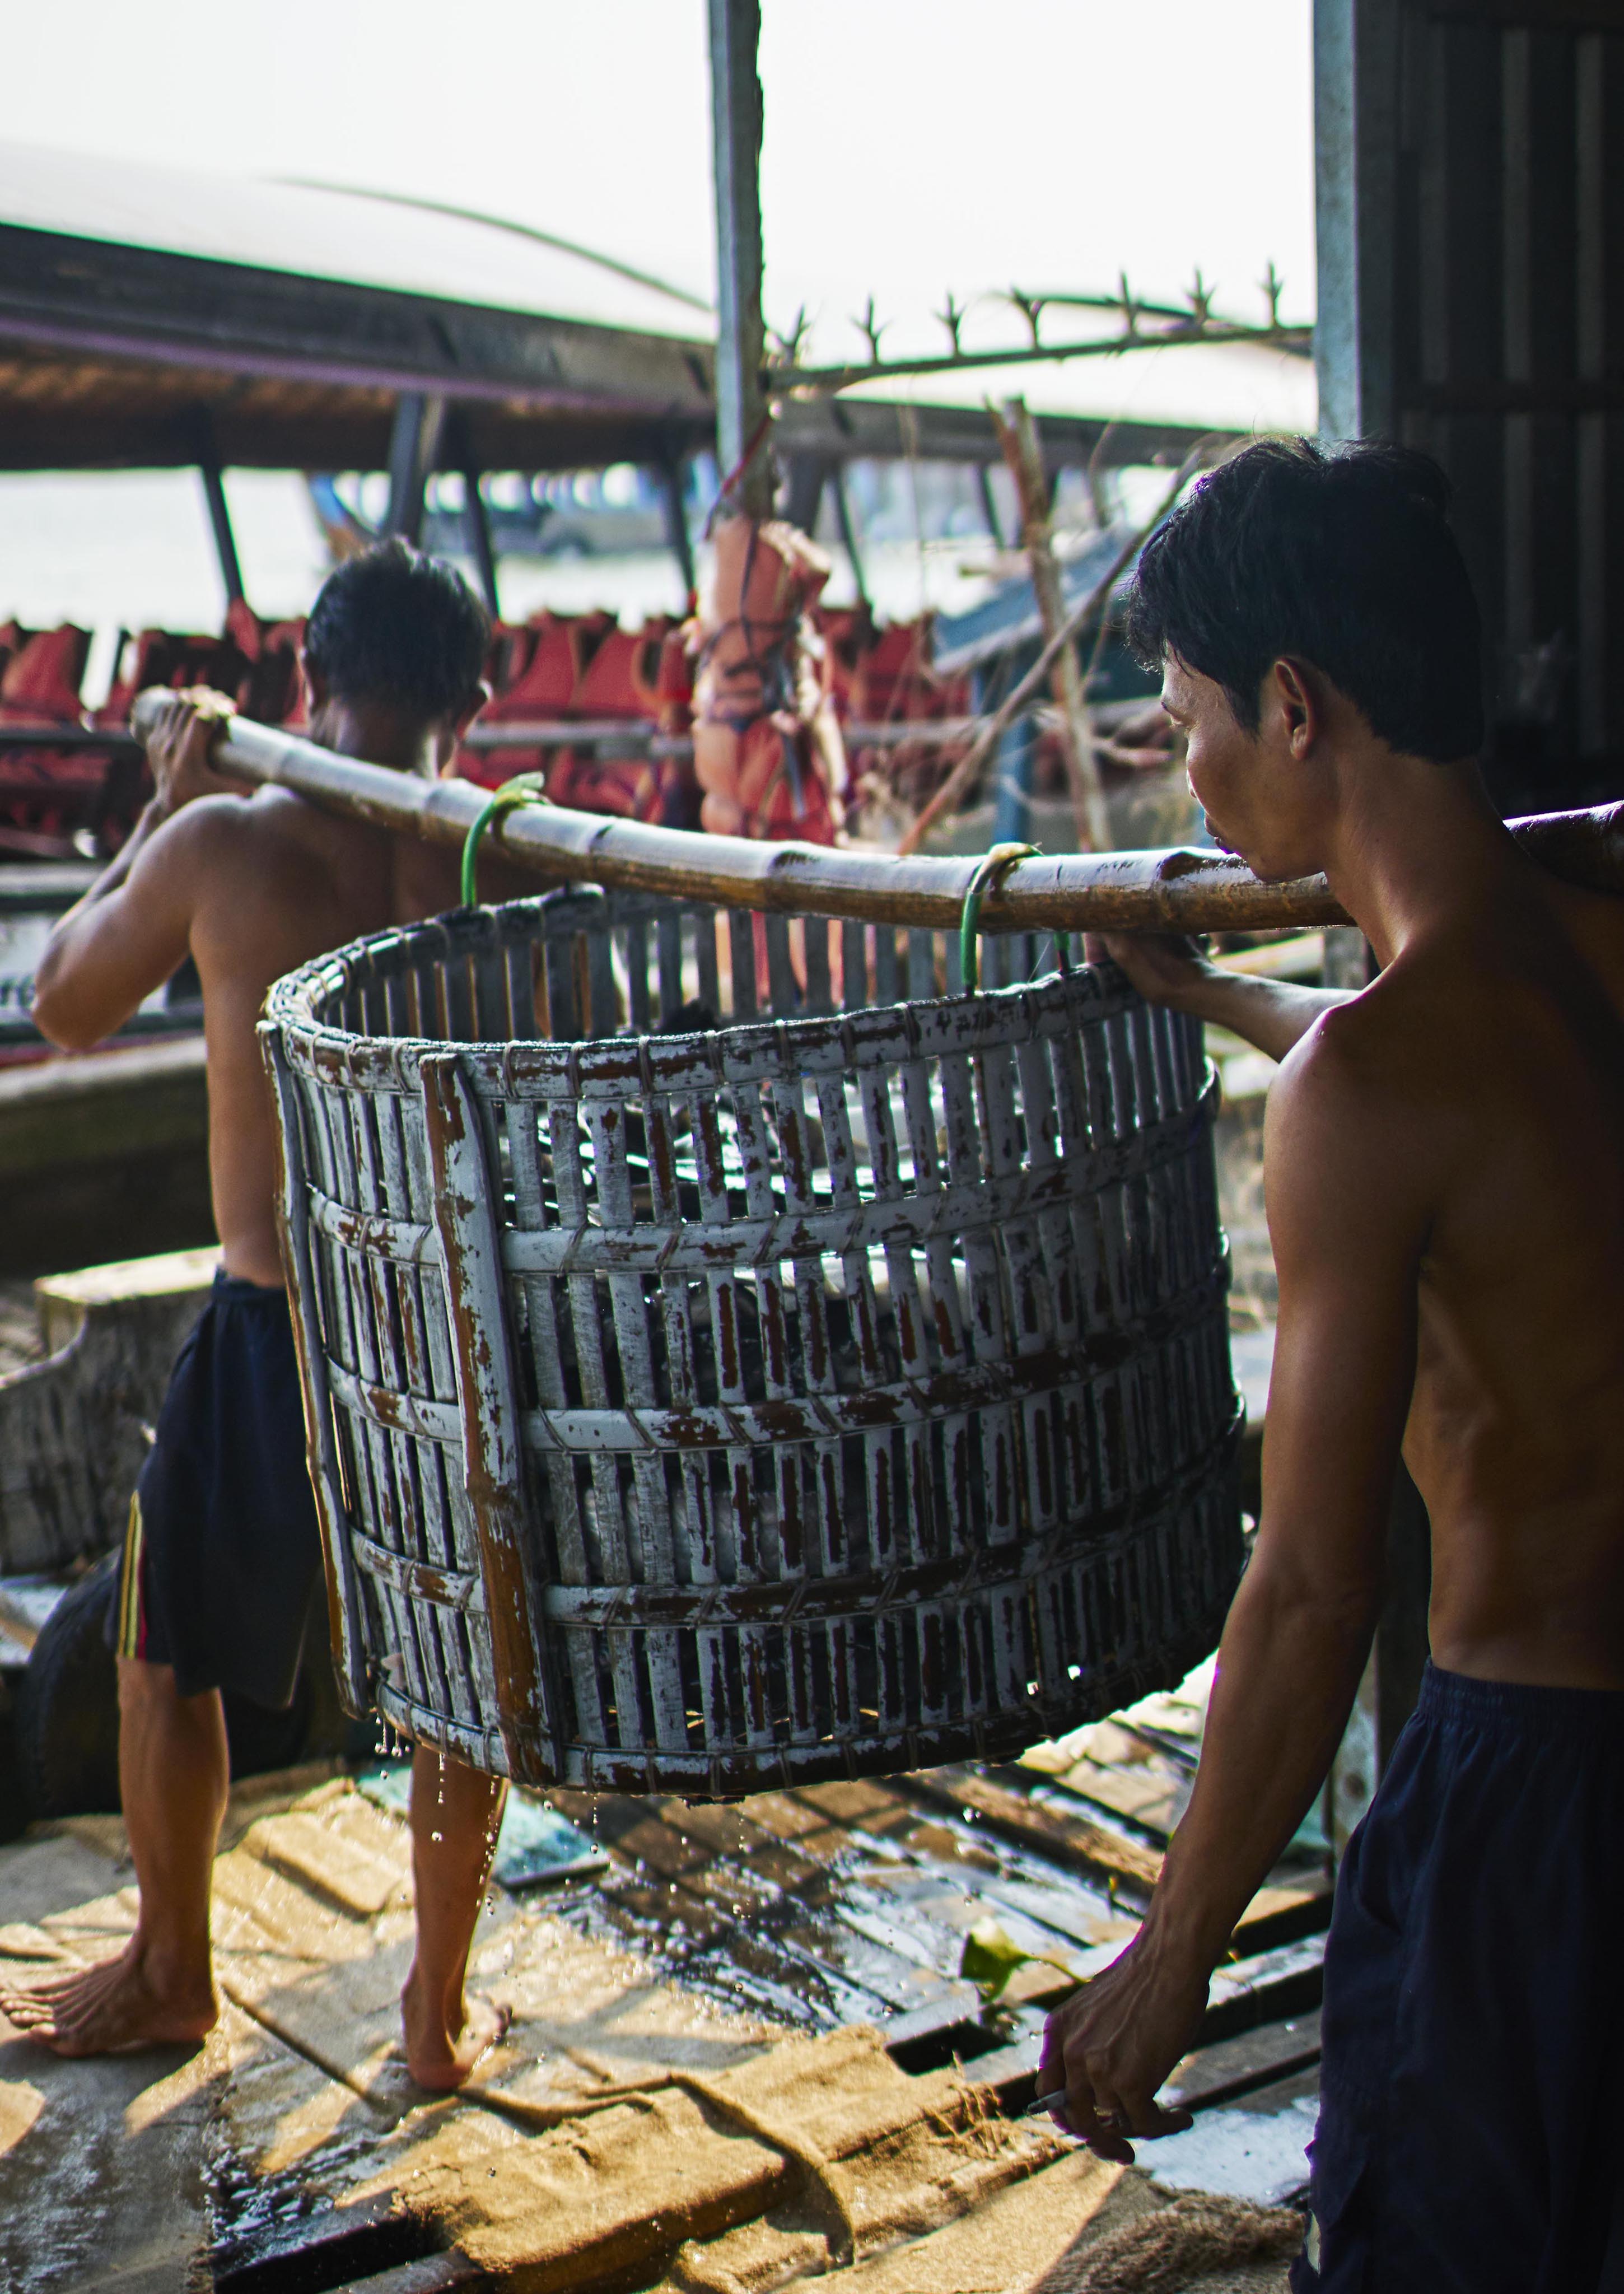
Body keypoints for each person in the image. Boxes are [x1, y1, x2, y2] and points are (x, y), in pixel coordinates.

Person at [1039, 440, 1624, 2290]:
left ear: (1294, 708)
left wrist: (1170, 1957)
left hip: (1534, 1811)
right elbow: (1451, 1061)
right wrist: (1226, 995)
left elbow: (1306, 1594)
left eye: (1186, 713)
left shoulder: (1361, 1093)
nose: (1180, 763)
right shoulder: (1576, 937)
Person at [0, 541, 526, 2087]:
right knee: (457, 1671)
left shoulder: (226, 843)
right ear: (475, 705)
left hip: (276, 1311)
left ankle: (175, 1972)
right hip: (445, 1326)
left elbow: (64, 1003)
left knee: (165, 1652)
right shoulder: (510, 863)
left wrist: (165, 800)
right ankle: (432, 2017)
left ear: (309, 684)